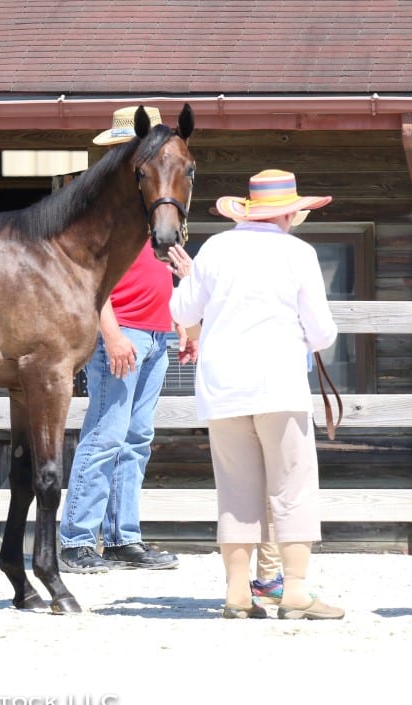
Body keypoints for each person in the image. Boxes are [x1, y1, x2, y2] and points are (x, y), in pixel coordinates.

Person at [168, 169, 344, 620]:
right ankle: (296, 591)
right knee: (292, 487)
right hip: (279, 385)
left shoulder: (216, 248)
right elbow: (322, 331)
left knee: (236, 490)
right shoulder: (298, 253)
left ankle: (236, 593)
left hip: (223, 388)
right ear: (288, 213)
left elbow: (182, 309)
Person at [58, 107, 196, 573]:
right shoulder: (96, 207)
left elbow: (164, 270)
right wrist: (112, 333)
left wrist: (179, 319)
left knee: (136, 438)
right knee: (106, 434)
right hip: (124, 335)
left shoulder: (154, 206)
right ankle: (76, 540)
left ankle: (122, 537)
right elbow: (87, 279)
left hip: (156, 332)